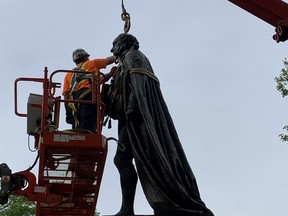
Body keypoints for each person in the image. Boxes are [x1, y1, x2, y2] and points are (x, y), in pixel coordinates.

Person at [108, 33, 214, 216]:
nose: (112, 49)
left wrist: (133, 105)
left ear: (124, 43)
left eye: (114, 44)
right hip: (129, 118)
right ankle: (126, 209)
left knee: (145, 158)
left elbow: (139, 82)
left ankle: (137, 207)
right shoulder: (124, 61)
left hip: (138, 116)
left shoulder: (134, 55)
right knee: (121, 159)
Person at [62, 48, 116, 132]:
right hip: (88, 98)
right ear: (85, 57)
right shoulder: (92, 63)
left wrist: (68, 112)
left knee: (77, 129)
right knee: (88, 129)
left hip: (73, 104)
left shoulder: (69, 74)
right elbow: (109, 60)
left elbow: (66, 95)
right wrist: (118, 56)